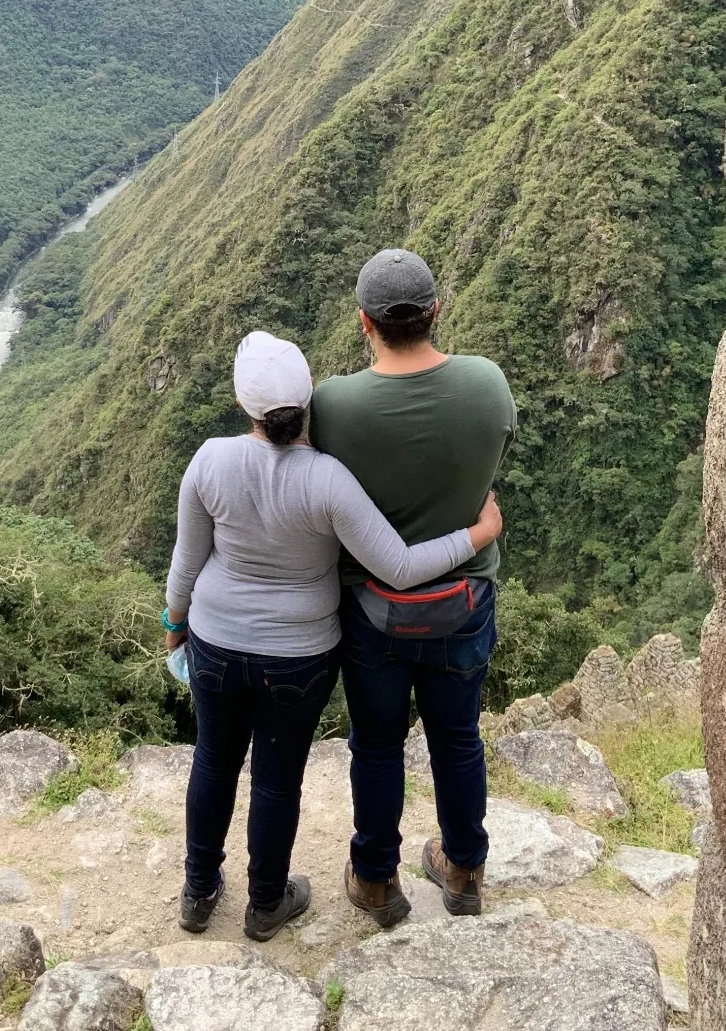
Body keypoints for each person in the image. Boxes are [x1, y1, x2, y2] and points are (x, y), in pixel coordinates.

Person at [164, 329, 503, 942]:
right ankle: (266, 902)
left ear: (246, 406)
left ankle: (198, 890)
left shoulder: (210, 460)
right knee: (276, 777)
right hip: (298, 655)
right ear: (307, 403)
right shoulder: (327, 479)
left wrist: (175, 625)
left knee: (212, 760)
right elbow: (397, 566)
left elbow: (186, 562)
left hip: (214, 640)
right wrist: (477, 536)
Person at [312, 249, 517, 925]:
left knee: (376, 744)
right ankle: (462, 869)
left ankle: (374, 879)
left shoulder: (334, 405)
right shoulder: (487, 385)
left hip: (373, 612)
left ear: (364, 324)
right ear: (436, 311)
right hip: (463, 602)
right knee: (457, 739)